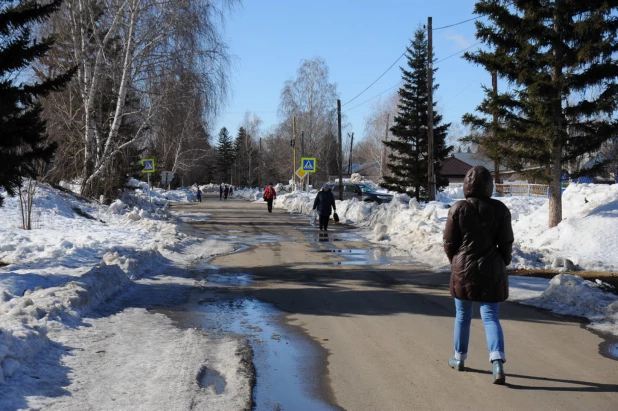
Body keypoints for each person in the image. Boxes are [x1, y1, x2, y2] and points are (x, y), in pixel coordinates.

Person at [443, 166, 514, 385]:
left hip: (463, 269)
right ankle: (497, 363)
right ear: (489, 184)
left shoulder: (458, 208)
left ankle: (459, 358)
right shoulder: (500, 209)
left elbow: (448, 242)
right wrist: (502, 261)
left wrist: (456, 261)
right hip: (492, 268)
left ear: (466, 184)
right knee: (490, 316)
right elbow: (506, 242)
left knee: (463, 316)